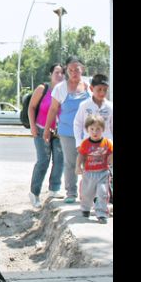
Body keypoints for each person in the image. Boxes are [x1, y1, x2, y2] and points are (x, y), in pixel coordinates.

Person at [43, 55, 91, 204]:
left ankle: (89, 193)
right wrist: (46, 130)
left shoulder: (89, 85)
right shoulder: (60, 88)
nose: (74, 73)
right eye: (70, 70)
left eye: (76, 69)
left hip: (89, 133)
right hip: (67, 132)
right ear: (67, 71)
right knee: (70, 163)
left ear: (82, 69)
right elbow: (53, 110)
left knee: (89, 163)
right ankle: (71, 192)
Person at [27, 64, 65, 209]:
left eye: (62, 73)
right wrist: (32, 126)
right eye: (57, 72)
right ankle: (34, 193)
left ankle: (54, 189)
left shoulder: (65, 91)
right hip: (41, 130)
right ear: (51, 74)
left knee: (59, 161)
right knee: (43, 161)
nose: (60, 75)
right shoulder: (43, 89)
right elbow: (31, 107)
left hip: (59, 131)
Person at [76, 114, 113, 223]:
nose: (95, 132)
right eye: (92, 129)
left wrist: (110, 162)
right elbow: (81, 156)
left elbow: (111, 155)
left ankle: (101, 213)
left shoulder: (107, 143)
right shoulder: (85, 143)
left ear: (103, 130)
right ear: (87, 130)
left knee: (102, 193)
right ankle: (85, 208)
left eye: (98, 129)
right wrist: (78, 167)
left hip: (103, 173)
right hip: (88, 173)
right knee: (87, 193)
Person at [73, 73, 113, 144]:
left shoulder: (110, 107)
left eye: (105, 90)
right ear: (91, 88)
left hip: (107, 146)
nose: (102, 93)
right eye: (99, 89)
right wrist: (78, 142)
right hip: (89, 145)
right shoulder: (84, 105)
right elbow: (77, 124)